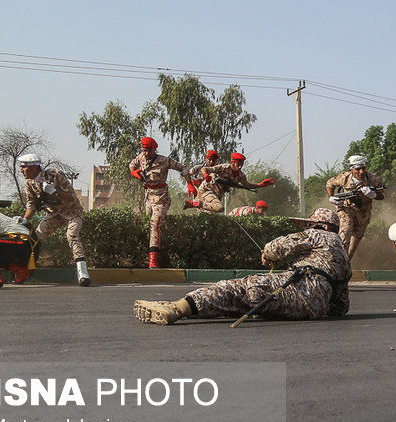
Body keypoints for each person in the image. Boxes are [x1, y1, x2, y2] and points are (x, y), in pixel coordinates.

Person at [134, 208, 351, 325]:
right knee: (240, 303)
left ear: (322, 226)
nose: (308, 227)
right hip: (310, 311)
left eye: (310, 224)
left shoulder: (318, 234)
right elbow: (341, 307)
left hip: (296, 291)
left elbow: (278, 247)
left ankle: (177, 309)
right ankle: (188, 308)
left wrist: (267, 253)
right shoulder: (344, 257)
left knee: (234, 289)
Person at [18, 153, 91, 287]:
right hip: (54, 214)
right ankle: (26, 270)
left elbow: (72, 197)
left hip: (72, 212)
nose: (21, 170)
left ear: (33, 167)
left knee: (72, 235)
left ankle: (83, 273)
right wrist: (24, 219)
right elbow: (32, 204)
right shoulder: (29, 183)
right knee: (36, 238)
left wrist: (54, 192)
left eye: (23, 167)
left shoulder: (55, 175)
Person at [128, 137, 192, 268]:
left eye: (149, 151)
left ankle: (153, 259)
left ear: (154, 149)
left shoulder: (164, 161)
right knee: (145, 223)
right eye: (144, 150)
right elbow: (131, 165)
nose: (146, 153)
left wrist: (190, 183)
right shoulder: (141, 158)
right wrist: (134, 172)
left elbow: (183, 168)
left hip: (161, 198)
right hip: (148, 198)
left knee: (154, 224)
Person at [326, 154, 386, 259]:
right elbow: (329, 184)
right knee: (345, 231)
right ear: (351, 170)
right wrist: (331, 197)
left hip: (363, 213)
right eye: (358, 169)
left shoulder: (372, 179)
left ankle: (346, 262)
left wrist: (373, 195)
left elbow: (383, 194)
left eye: (363, 168)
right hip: (346, 209)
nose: (361, 172)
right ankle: (339, 259)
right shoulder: (344, 178)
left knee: (353, 246)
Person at [185, 152, 274, 213]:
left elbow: (247, 185)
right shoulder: (223, 168)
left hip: (217, 194)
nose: (240, 167)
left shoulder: (241, 175)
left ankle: (194, 204)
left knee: (210, 215)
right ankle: (194, 203)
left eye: (241, 165)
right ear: (233, 162)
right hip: (207, 190)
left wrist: (260, 185)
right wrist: (206, 175)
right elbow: (205, 169)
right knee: (220, 207)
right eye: (238, 164)